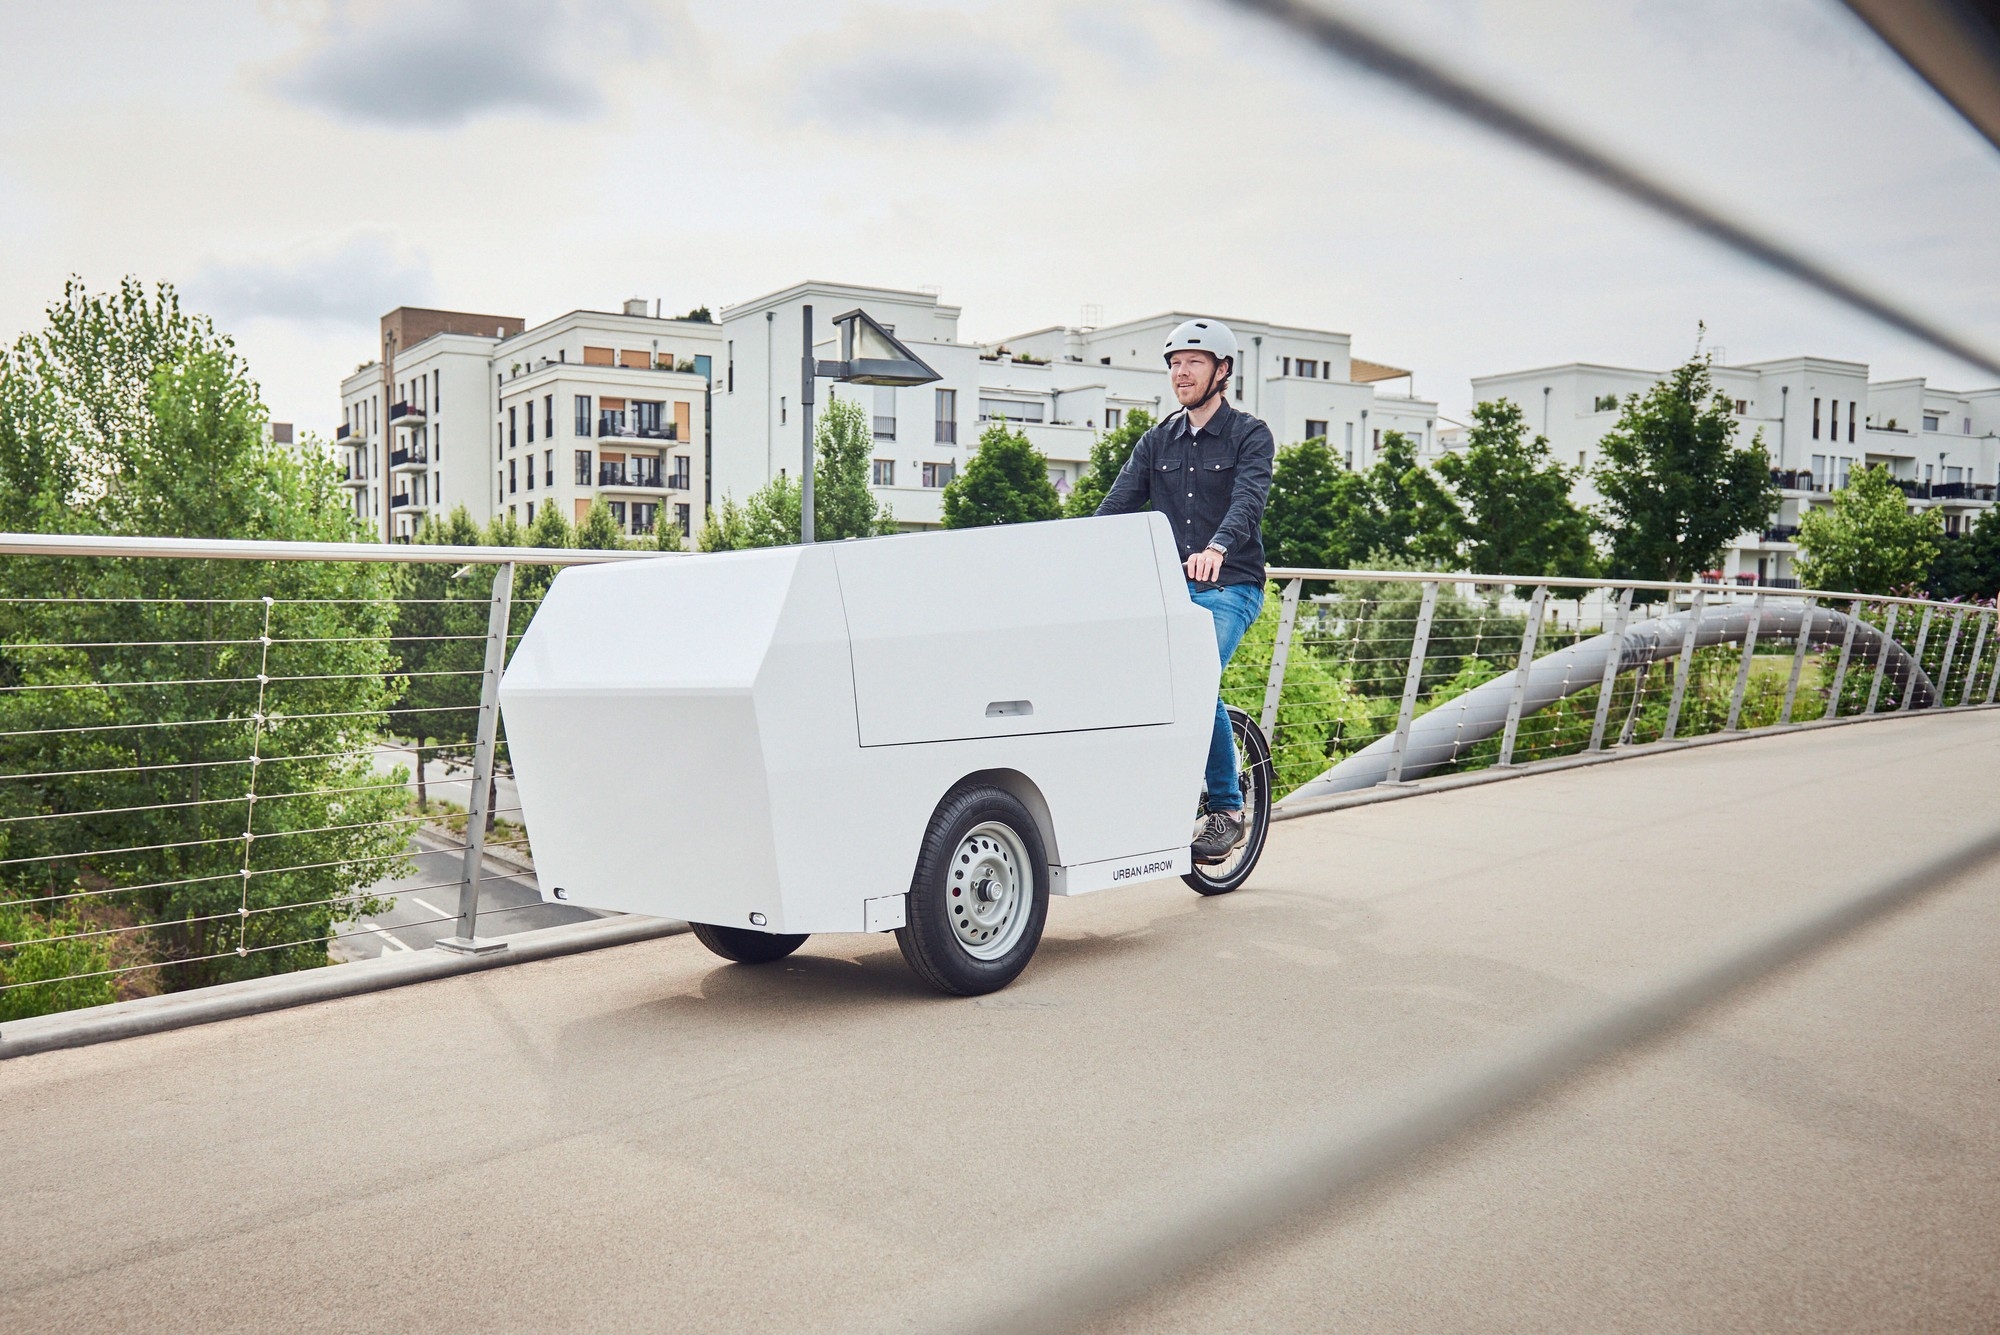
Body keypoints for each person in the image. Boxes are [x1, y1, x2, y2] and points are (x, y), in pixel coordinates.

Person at [1096, 318, 1274, 861]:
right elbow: (1113, 510)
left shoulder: (1250, 434)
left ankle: (1227, 808)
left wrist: (1216, 548)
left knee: (1197, 677)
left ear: (1222, 371)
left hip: (1230, 585)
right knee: (1127, 674)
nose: (1181, 373)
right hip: (1169, 590)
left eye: (1194, 362)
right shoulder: (1157, 441)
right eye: (1175, 364)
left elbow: (1248, 500)